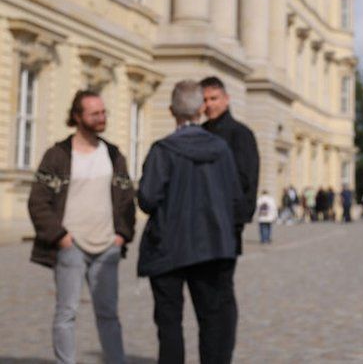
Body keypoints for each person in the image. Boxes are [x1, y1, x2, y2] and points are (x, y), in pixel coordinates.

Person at [138, 80, 243, 364]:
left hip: (168, 246)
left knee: (170, 324)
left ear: (172, 111)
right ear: (200, 109)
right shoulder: (221, 149)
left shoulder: (163, 149)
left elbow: (147, 199)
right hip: (212, 245)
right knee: (213, 322)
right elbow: (236, 198)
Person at [28, 90, 135, 364]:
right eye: (95, 113)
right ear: (77, 117)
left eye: (103, 112)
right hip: (71, 246)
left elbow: (126, 199)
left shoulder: (113, 154)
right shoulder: (57, 155)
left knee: (109, 314)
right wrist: (61, 237)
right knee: (66, 313)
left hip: (107, 248)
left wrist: (122, 235)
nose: (102, 118)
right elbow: (38, 201)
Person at [200, 76, 259, 254]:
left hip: (227, 221)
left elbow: (246, 179)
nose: (209, 105)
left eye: (214, 98)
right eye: (204, 100)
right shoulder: (199, 132)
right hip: (199, 220)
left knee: (219, 280)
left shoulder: (240, 134)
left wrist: (236, 217)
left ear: (226, 99)